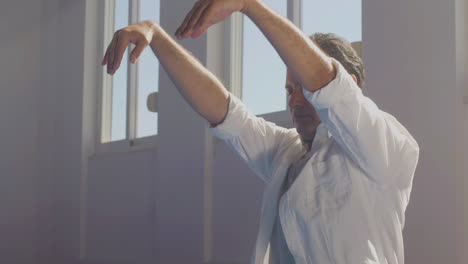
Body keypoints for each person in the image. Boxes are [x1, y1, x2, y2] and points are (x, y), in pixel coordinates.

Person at [101, 0, 420, 263]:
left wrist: (249, 6)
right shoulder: (287, 153)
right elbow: (224, 111)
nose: (294, 100)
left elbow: (330, 88)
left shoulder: (386, 146)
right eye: (288, 89)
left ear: (350, 84)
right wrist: (156, 36)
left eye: (303, 88)